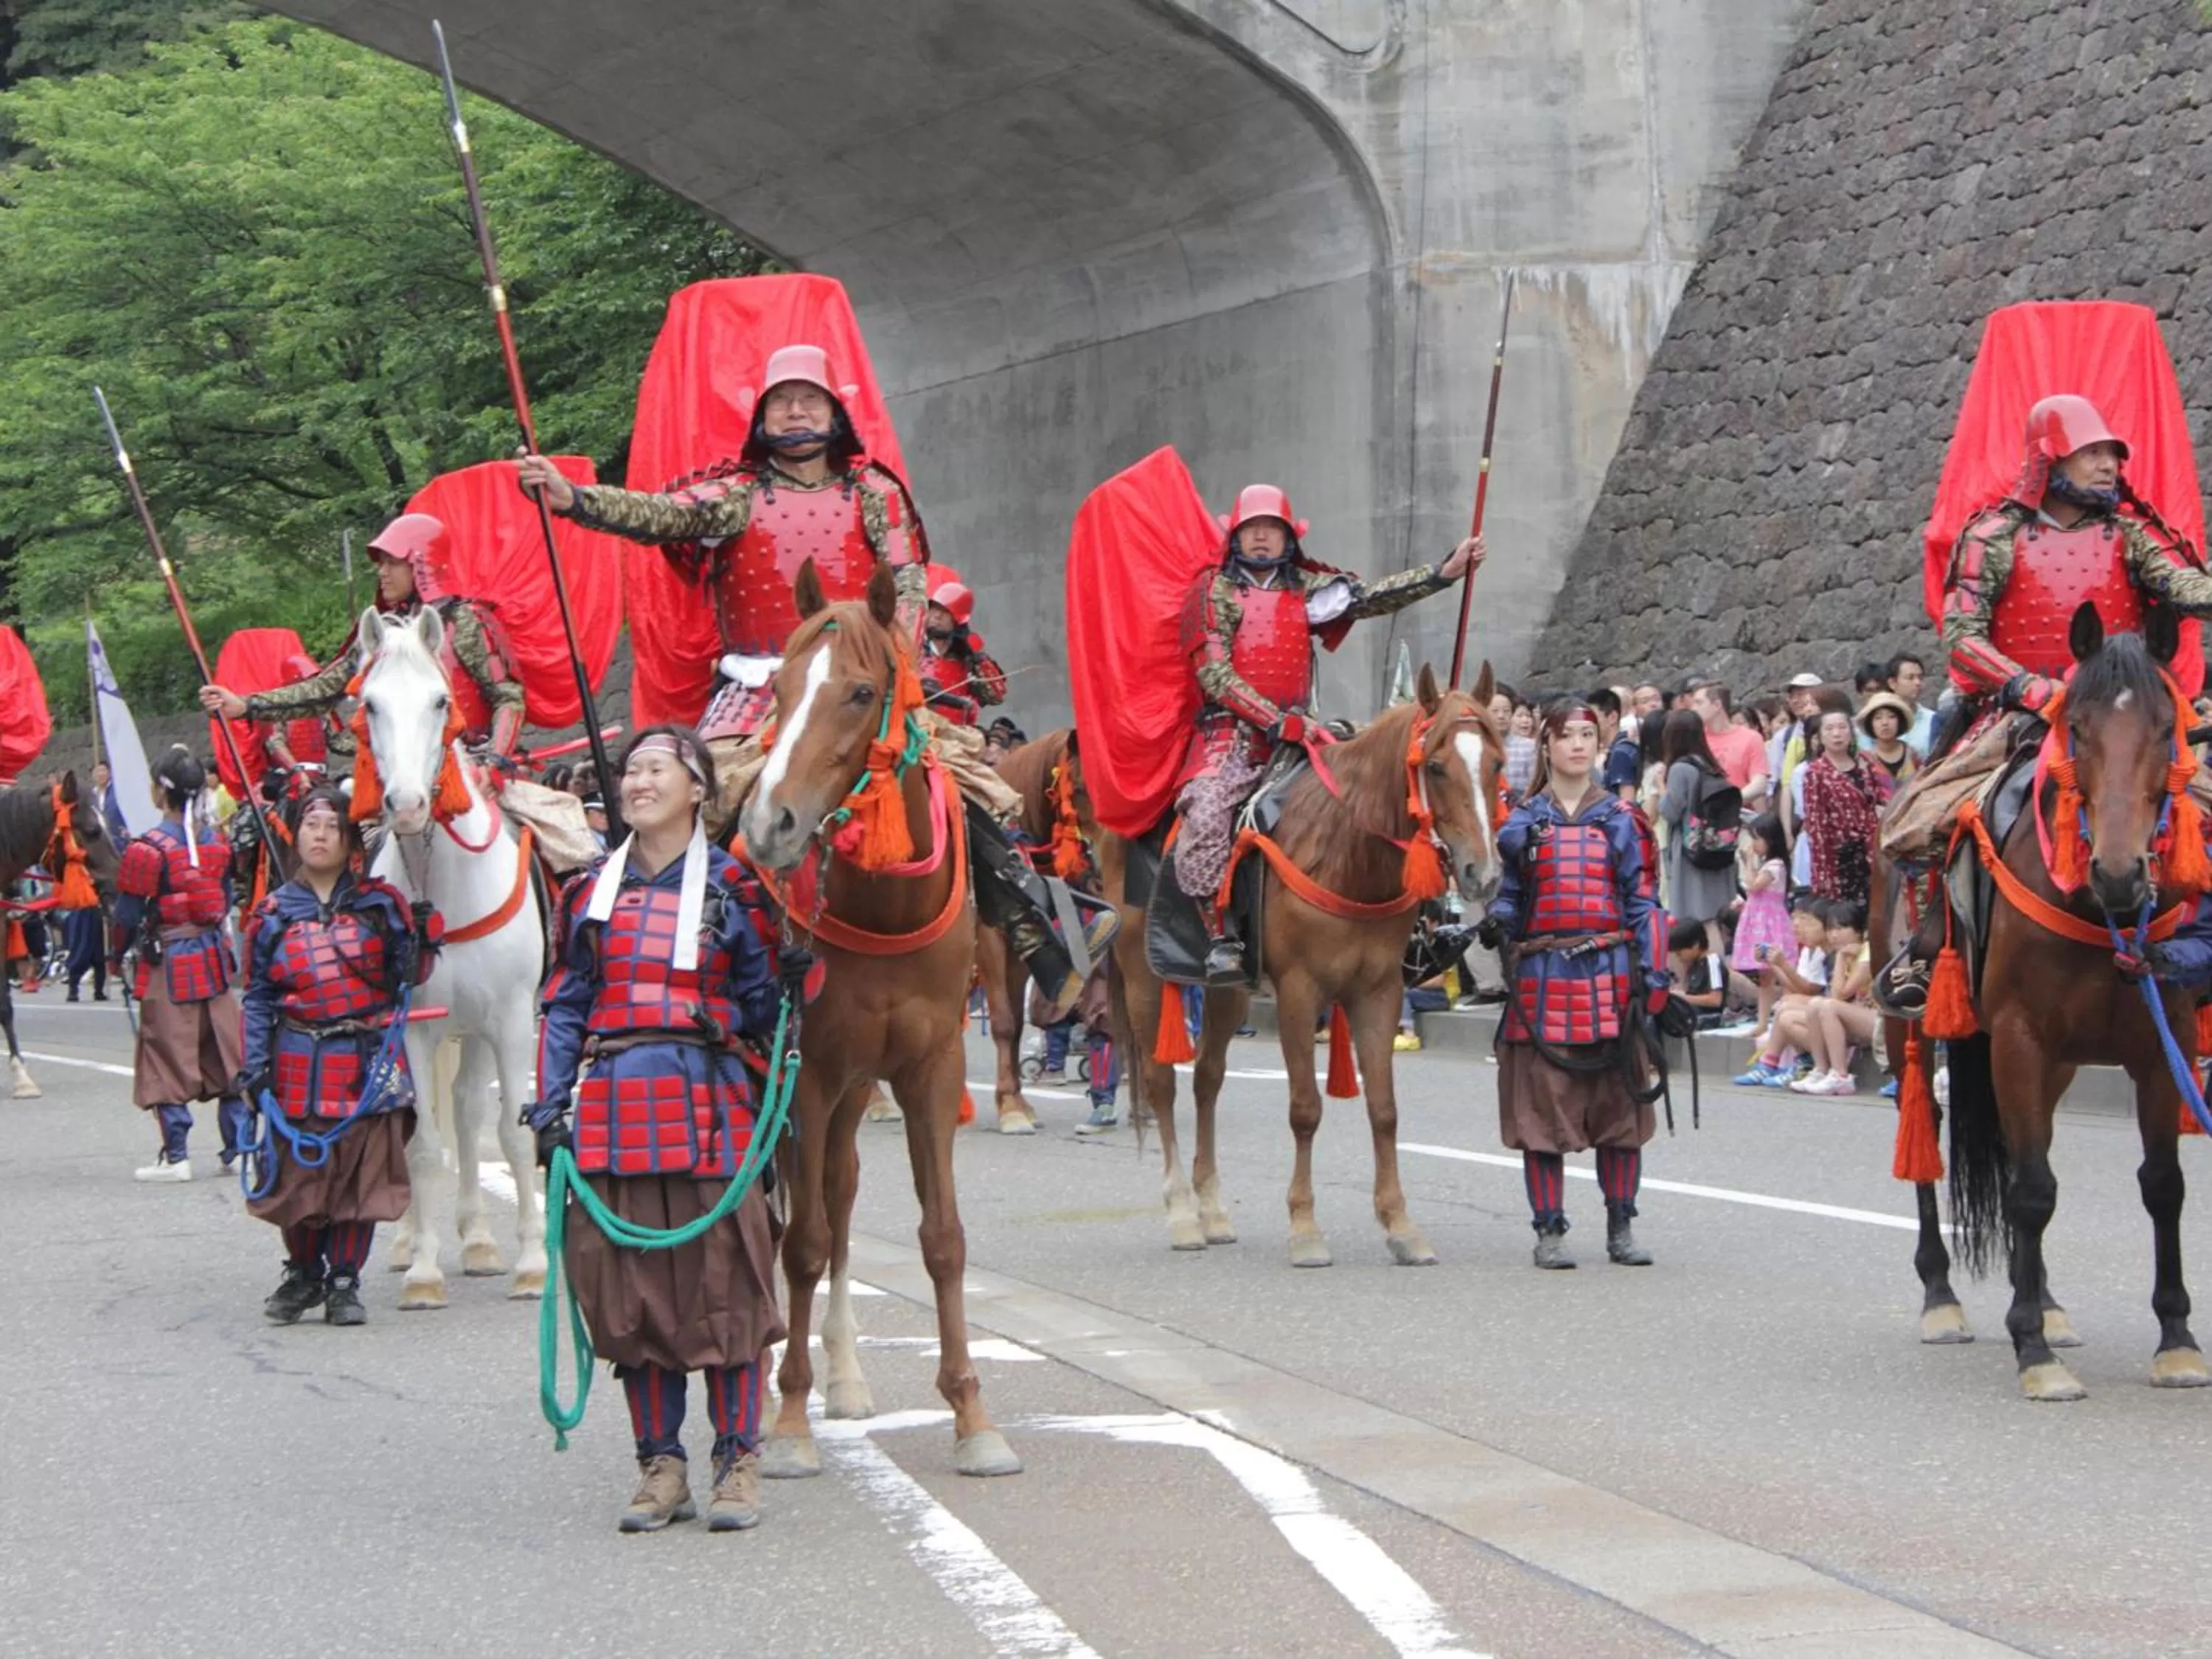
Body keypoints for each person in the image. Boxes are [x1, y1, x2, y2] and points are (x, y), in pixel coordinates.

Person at [518, 346, 1113, 1020]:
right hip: (761, 687)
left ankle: (1035, 927)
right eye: (781, 401)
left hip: (862, 684)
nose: (795, 411)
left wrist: (895, 665)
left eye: (810, 400)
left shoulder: (874, 492)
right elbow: (660, 515)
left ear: (835, 413)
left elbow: (908, 583)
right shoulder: (738, 495)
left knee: (967, 787)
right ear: (762, 419)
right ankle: (669, 956)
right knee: (692, 804)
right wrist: (575, 500)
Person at [523, 726, 799, 1535]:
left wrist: (794, 981)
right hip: (611, 1108)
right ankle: (661, 1464)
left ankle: (736, 1460)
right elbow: (566, 1005)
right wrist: (548, 1109)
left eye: (656, 769)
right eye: (630, 769)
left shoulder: (737, 894)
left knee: (728, 1291)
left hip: (712, 1106)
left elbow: (763, 1013)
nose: (637, 781)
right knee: (633, 1297)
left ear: (698, 791)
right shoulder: (586, 895)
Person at [1882, 394, 2212, 1011]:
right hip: (2016, 710)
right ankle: (1928, 955)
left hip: (2118, 712)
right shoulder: (1992, 532)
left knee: (2202, 804)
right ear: (2049, 456)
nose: (2109, 464)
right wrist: (2032, 688)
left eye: (2112, 453)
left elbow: (2184, 586)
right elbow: (1963, 634)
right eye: (2092, 453)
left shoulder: (2132, 532)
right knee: (1926, 821)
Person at [1175, 483, 1483, 983]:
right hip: (1231, 737)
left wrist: (1441, 574)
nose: (1260, 538)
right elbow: (1214, 675)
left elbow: (1368, 598)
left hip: (1301, 731)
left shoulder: (1307, 588)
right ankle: (1221, 937)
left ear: (1288, 539)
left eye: (1271, 530)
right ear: (1234, 536)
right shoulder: (1213, 590)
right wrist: (1274, 719)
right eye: (1251, 529)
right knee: (1208, 812)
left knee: (1387, 789)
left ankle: (1419, 930)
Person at [238, 786, 442, 1326]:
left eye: (332, 825)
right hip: (296, 1062)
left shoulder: (381, 906)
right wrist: (253, 1067)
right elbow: (257, 995)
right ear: (297, 836)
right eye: (311, 825)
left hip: (366, 1063)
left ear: (350, 839)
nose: (320, 834)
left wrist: (420, 939)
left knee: (360, 1179)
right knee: (299, 1178)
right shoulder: (273, 912)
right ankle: (304, 1274)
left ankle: (345, 1282)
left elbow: (410, 979)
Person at [1479, 702, 1668, 1269]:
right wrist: (1499, 918)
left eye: (1589, 734)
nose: (1579, 745)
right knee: (1540, 1112)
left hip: (1611, 977)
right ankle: (1549, 1231)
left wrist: (1654, 974)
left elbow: (1644, 901)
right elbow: (1511, 894)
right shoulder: (1520, 823)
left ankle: (1620, 1227)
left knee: (1620, 1110)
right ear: (1547, 746)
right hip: (1541, 979)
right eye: (1567, 736)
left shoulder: (1622, 819)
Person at [199, 514, 524, 765]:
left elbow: (508, 698)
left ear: (420, 562)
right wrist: (245, 705)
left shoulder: (467, 620)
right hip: (399, 772)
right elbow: (324, 689)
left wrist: (495, 762)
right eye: (380, 563)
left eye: (392, 562)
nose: (382, 572)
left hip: (476, 766)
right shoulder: (382, 631)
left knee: (554, 836)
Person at [114, 749, 248, 1182]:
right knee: (226, 1053)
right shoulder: (217, 844)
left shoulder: (146, 849)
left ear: (160, 792)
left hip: (169, 961)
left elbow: (128, 915)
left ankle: (176, 1155)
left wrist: (117, 957)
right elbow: (224, 899)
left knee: (164, 1051)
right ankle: (239, 1148)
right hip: (213, 958)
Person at [1655, 709, 1738, 961]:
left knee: (1702, 920)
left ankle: (1714, 981)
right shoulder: (1710, 765)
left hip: (1691, 852)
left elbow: (1671, 812)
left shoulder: (1681, 769)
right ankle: (1721, 980)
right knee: (1714, 918)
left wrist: (1660, 787)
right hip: (1714, 848)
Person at [1731, 894, 1833, 1087]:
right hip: (1818, 1012)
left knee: (1787, 1007)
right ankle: (1776, 1063)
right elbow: (1795, 987)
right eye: (1795, 919)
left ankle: (1777, 1062)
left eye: (1806, 921)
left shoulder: (1824, 953)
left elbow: (1810, 990)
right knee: (1786, 1005)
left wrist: (1782, 964)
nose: (1797, 925)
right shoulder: (1808, 951)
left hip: (1826, 1017)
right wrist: (1774, 965)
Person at [1800, 708, 1892, 905]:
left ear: (1851, 732)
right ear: (1821, 737)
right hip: (1840, 857)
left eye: (1842, 727)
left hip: (1873, 850)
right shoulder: (1816, 772)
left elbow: (1879, 800)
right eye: (1830, 729)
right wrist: (1823, 873)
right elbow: (1816, 825)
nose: (1837, 734)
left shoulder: (1866, 763)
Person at [1784, 901, 1873, 1096]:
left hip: (1876, 1020)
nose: (1834, 935)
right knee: (1810, 1008)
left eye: (1842, 928)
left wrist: (1840, 959)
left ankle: (1840, 1076)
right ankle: (1821, 1069)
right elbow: (1834, 998)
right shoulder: (1843, 954)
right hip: (1854, 1016)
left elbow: (1840, 995)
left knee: (1825, 1006)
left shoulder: (1867, 953)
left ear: (1859, 931)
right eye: (1831, 929)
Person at [1728, 813, 1792, 1039]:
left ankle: (1782, 1017)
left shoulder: (1775, 865)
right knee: (1765, 976)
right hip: (1760, 920)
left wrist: (1746, 863)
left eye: (1757, 839)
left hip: (1769, 925)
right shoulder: (1769, 864)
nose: (1754, 844)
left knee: (1778, 971)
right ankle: (1763, 1022)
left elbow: (1754, 886)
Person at [917, 578, 1008, 728]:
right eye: (935, 608)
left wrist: (978, 659)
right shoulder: (913, 647)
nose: (937, 616)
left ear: (957, 621)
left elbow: (997, 695)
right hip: (918, 730)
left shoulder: (967, 659)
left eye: (945, 612)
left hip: (957, 736)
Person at [1689, 681, 1770, 804]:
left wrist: (1729, 803)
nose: (1693, 709)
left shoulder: (1751, 738)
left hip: (1739, 814)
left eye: (1699, 703)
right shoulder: (1693, 739)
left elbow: (1759, 783)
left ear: (1717, 705)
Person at [1591, 688, 1642, 804]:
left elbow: (1627, 802)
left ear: (1612, 717)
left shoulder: (1621, 752)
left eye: (1594, 718)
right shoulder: (1619, 749)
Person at [1856, 692, 1919, 784]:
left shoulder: (1913, 755)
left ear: (1900, 721)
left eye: (1891, 717)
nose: (1885, 723)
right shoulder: (1865, 761)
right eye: (1878, 718)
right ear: (1871, 724)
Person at [1885, 653, 1935, 757]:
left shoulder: (1932, 720)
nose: (1917, 683)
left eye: (1920, 678)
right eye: (1910, 678)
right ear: (1892, 683)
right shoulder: (1879, 722)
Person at [62, 892, 107, 1002]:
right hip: (81, 911)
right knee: (81, 952)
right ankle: (74, 990)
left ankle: (98, 991)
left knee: (98, 956)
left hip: (93, 911)